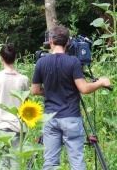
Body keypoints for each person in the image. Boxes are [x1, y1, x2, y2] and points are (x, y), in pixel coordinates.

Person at [30, 25, 111, 170]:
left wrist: (50, 90)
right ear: (67, 42)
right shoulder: (73, 62)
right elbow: (84, 88)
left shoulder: (41, 62)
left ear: (50, 41)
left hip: (50, 118)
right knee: (77, 163)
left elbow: (35, 90)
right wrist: (101, 82)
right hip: (71, 117)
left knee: (50, 163)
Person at [0, 43, 29, 168]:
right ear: (16, 57)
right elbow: (26, 102)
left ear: (1, 58)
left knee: (3, 162)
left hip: (0, 124)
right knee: (16, 162)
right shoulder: (23, 79)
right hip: (18, 125)